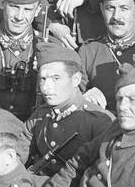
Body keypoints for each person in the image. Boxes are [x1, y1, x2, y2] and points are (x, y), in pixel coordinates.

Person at [23, 43, 113, 179]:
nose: (46, 88)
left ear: (76, 79)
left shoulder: (99, 121)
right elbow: (18, 153)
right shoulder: (40, 115)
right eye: (42, 79)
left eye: (56, 79)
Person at [77, 0, 135, 110]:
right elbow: (73, 93)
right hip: (101, 127)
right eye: (110, 8)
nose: (116, 16)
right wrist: (83, 96)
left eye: (124, 8)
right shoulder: (88, 51)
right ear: (101, 9)